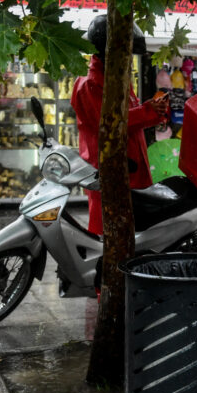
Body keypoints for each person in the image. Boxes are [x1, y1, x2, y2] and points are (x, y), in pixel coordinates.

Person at [71, 15, 167, 235]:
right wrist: (148, 111)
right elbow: (110, 126)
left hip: (132, 170)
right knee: (107, 234)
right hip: (112, 173)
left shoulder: (117, 78)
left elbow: (127, 118)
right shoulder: (90, 84)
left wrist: (153, 111)